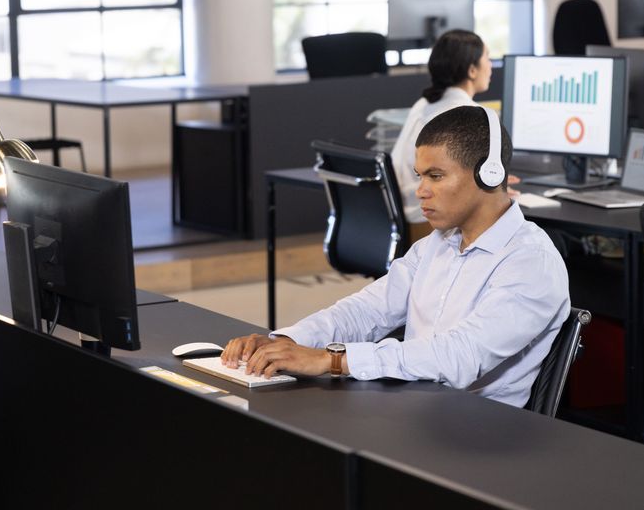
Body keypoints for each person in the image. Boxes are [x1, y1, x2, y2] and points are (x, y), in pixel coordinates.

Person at [221, 105, 570, 408]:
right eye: (420, 176)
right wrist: (288, 342)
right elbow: (366, 310)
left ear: (488, 174)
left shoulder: (531, 263)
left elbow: (460, 358)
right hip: (414, 409)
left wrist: (333, 360)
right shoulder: (437, 244)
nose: (420, 191)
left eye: (435, 176)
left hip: (477, 433)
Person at [390, 30, 492, 226]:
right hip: (427, 219)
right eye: (487, 57)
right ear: (472, 70)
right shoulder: (468, 114)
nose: (490, 66)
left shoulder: (423, 104)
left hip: (404, 211)